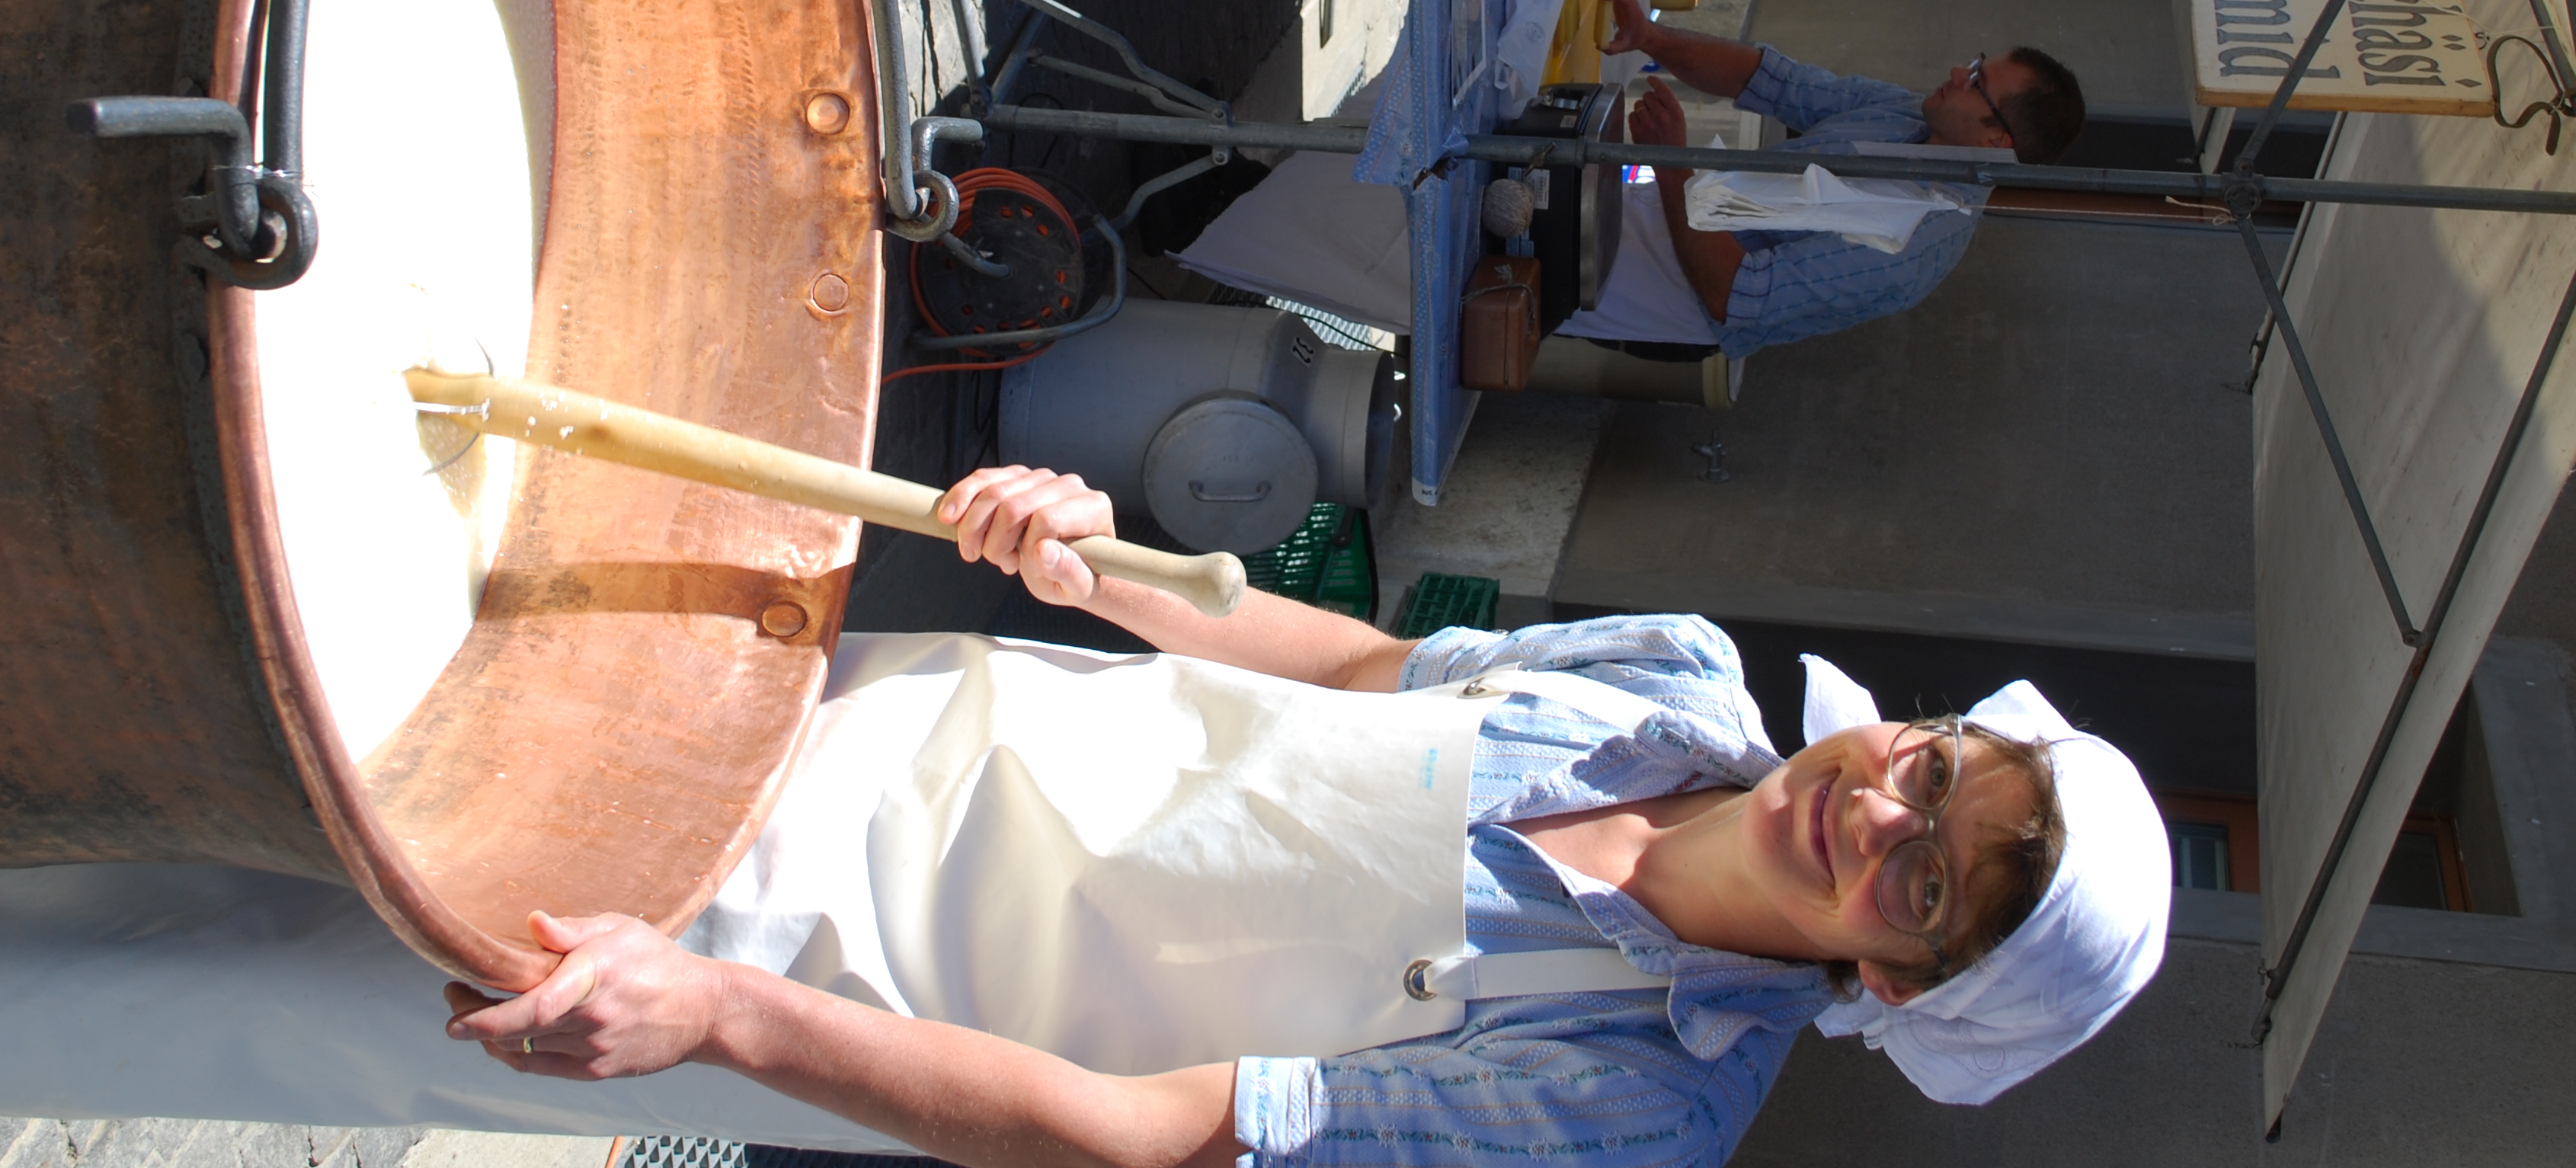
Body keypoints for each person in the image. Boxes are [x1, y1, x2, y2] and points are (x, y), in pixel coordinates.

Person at [437, 465, 2172, 1166]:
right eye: (1933, 766)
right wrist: (1095, 558)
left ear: (1894, 987)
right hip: (857, 704)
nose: (1879, 806)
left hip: (768, 958)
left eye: (1924, 883)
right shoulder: (1675, 677)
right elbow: (1354, 665)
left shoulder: (1633, 1107)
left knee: (207, 943)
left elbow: (1137, 1133)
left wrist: (720, 1012)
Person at [1590, 0, 2083, 357]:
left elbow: (1736, 295)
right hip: (1659, 203)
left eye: (1977, 82)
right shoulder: (1909, 111)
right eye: (1975, 62)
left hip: (1662, 292)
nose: (1958, 73)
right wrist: (1652, 38)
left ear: (1995, 140)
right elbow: (1771, 79)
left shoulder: (1914, 246)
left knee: (1532, 262)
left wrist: (1675, 166)